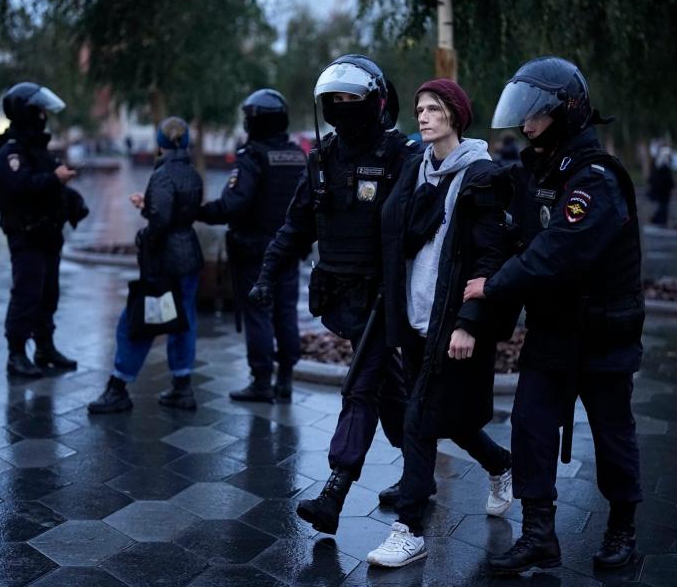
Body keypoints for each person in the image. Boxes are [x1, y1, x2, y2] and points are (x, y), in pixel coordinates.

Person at [464, 57, 645, 574]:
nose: (526, 124)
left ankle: (621, 531)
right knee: (531, 426)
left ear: (567, 113)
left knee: (612, 436)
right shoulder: (534, 170)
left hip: (604, 333)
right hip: (552, 332)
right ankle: (539, 535)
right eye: (523, 114)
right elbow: (503, 210)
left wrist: (494, 286)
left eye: (536, 114)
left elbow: (558, 252)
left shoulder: (596, 180)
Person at [248, 55, 420, 535]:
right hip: (344, 298)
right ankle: (444, 468)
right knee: (389, 389)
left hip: (389, 298)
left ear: (376, 103)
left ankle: (335, 492)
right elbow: (296, 227)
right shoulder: (322, 158)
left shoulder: (402, 156)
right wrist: (266, 275)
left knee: (361, 388)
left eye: (352, 100)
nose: (343, 109)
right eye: (335, 101)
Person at [366, 79, 515, 568]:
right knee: (444, 418)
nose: (424, 116)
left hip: (451, 319)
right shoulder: (416, 167)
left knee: (418, 420)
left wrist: (469, 323)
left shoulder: (481, 175)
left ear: (455, 114)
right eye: (419, 109)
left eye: (433, 109)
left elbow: (492, 255)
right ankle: (500, 464)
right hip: (415, 315)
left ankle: (408, 530)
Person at [88, 117, 204, 414]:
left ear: (161, 143)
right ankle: (182, 387)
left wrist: (144, 233)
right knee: (183, 322)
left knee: (136, 323)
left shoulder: (163, 174)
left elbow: (162, 221)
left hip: (165, 263)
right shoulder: (191, 172)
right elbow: (176, 213)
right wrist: (148, 208)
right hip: (188, 256)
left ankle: (118, 388)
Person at [198, 89, 305, 403]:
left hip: (255, 251)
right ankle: (284, 379)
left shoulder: (252, 156)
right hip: (287, 248)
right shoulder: (296, 155)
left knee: (259, 313)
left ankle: (261, 382)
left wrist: (201, 210)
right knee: (286, 313)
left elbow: (235, 203)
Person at [0, 82, 87, 378]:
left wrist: (69, 197)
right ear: (26, 112)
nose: (44, 116)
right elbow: (20, 186)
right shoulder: (11, 152)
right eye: (39, 110)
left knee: (49, 294)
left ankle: (45, 347)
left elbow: (47, 181)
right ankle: (16, 354)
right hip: (26, 235)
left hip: (48, 235)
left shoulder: (37, 149)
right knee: (26, 295)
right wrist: (54, 179)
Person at [648, 145, 674, 226]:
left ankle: (659, 220)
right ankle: (659, 221)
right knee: (663, 207)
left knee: (662, 207)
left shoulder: (660, 166)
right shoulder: (663, 167)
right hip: (663, 192)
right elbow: (667, 180)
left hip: (662, 192)